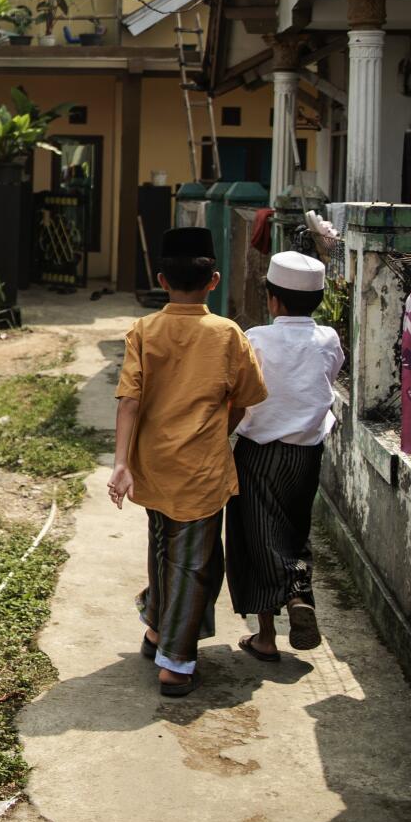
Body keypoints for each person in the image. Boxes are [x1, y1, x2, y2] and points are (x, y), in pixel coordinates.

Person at [108, 226, 268, 696]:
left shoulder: (144, 330)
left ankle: (158, 627)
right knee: (195, 563)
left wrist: (122, 462)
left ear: (161, 279)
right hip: (201, 466)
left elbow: (129, 401)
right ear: (213, 281)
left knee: (162, 547)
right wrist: (219, 430)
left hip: (152, 463)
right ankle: (175, 663)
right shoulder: (227, 334)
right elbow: (244, 399)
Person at [227, 250, 341, 661]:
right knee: (293, 530)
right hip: (308, 454)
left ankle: (268, 632)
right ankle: (298, 595)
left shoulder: (256, 338)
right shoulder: (328, 338)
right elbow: (328, 377)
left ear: (273, 300)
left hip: (260, 452)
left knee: (253, 538)